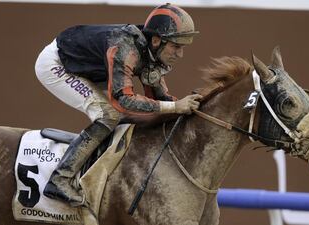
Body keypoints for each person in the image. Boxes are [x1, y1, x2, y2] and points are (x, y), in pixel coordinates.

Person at [35, 3, 202, 206]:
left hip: (90, 68)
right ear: (157, 40)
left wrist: (187, 108)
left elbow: (160, 100)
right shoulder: (125, 48)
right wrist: (175, 107)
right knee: (109, 115)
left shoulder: (152, 51)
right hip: (58, 65)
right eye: (176, 46)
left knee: (128, 115)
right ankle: (60, 179)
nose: (180, 54)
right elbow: (124, 101)